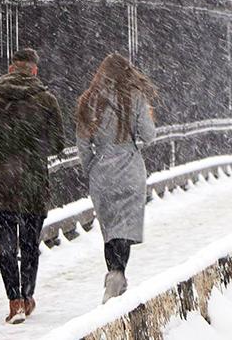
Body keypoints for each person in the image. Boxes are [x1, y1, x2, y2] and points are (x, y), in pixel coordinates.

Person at [0, 48, 65, 324]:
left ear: (10, 70)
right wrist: (32, 150)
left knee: (6, 246)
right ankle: (28, 295)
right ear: (34, 71)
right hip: (32, 184)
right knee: (29, 243)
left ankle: (14, 301)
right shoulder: (46, 101)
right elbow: (58, 143)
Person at [75, 53, 157, 304]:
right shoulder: (135, 97)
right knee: (124, 227)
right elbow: (149, 136)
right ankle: (118, 272)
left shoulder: (89, 100)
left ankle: (114, 271)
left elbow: (82, 144)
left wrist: (91, 169)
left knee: (110, 229)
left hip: (102, 173)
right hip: (129, 169)